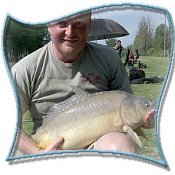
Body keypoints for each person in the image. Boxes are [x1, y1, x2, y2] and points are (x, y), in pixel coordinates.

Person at [11, 11, 155, 156]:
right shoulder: (25, 69)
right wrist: (38, 152)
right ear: (49, 25)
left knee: (121, 147)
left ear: (89, 25)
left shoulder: (109, 59)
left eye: (78, 24)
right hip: (44, 146)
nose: (70, 32)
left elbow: (129, 111)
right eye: (61, 23)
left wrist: (145, 120)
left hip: (97, 146)